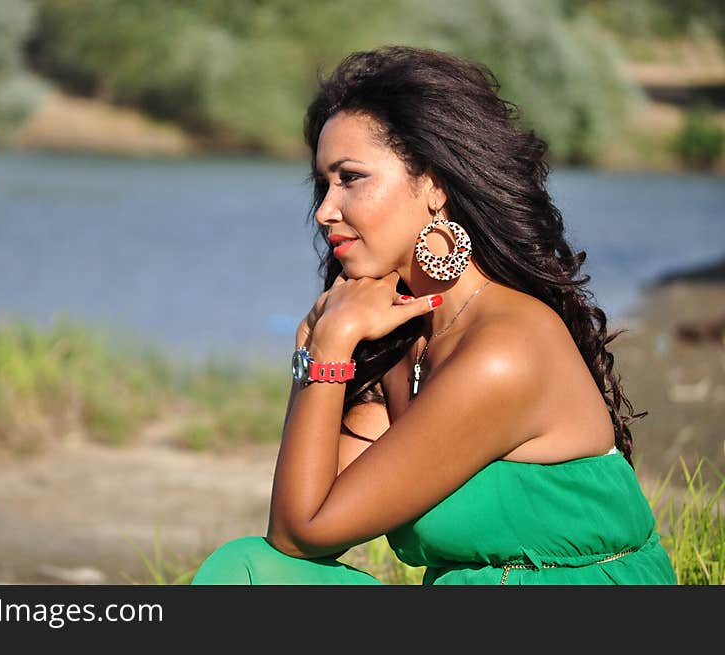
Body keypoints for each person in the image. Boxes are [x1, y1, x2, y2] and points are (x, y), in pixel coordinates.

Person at [190, 45, 677, 585]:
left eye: (350, 178)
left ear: (434, 185)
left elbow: (304, 530)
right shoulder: (406, 345)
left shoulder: (505, 347)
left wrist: (326, 349)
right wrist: (319, 342)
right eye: (322, 184)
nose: (326, 210)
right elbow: (297, 535)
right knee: (250, 571)